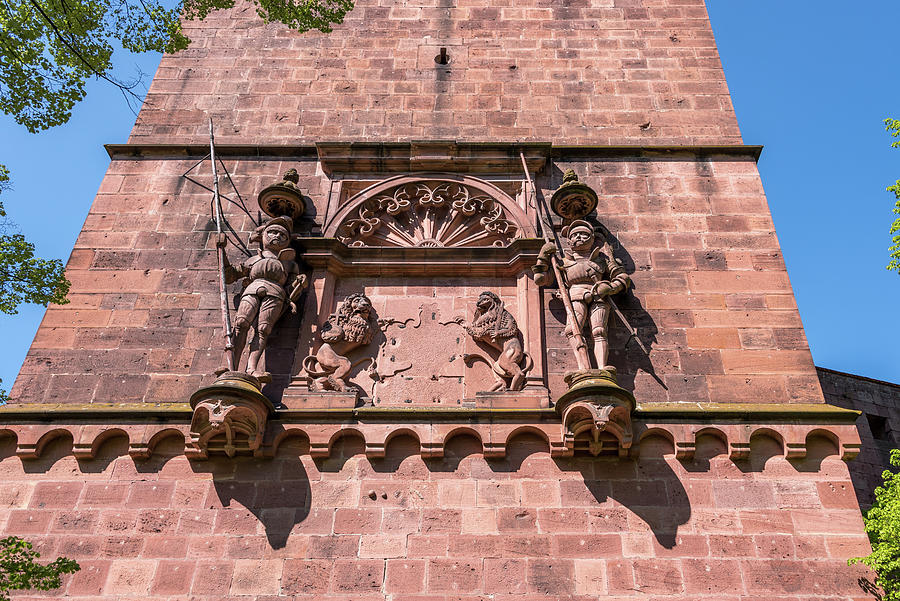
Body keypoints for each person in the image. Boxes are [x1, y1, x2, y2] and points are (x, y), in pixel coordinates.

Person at [217, 216, 306, 381]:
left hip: (276, 293)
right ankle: (232, 365)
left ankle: (251, 368)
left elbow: (293, 288)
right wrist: (221, 251)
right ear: (263, 235)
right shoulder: (254, 259)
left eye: (282, 235)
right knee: (241, 323)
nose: (277, 236)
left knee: (263, 329)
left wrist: (299, 284)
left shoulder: (289, 264)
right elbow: (229, 275)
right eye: (272, 232)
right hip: (252, 289)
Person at [532, 220, 630, 371]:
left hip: (599, 296)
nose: (579, 237)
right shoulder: (563, 263)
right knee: (572, 330)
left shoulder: (603, 260)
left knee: (599, 331)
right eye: (575, 235)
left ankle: (602, 367)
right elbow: (540, 279)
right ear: (569, 241)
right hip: (575, 295)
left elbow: (622, 278)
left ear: (592, 238)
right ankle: (582, 367)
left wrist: (609, 287)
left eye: (584, 234)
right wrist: (543, 256)